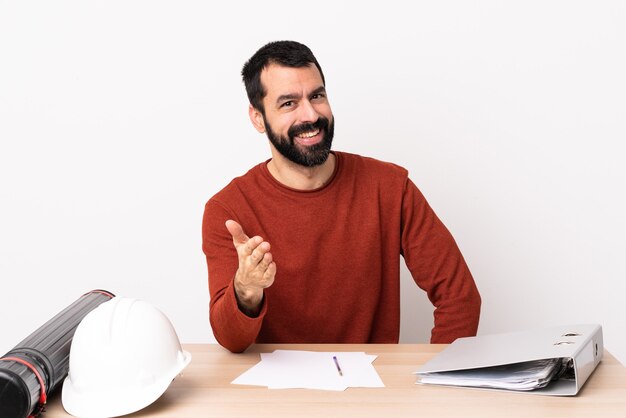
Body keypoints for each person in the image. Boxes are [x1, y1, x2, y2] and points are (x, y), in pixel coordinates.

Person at [202, 40, 481, 353]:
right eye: (288, 103)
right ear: (257, 118)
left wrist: (437, 376)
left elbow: (459, 297)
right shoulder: (227, 210)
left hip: (372, 390)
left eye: (317, 96)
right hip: (273, 397)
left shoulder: (391, 187)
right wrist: (246, 288)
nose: (310, 114)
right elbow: (231, 341)